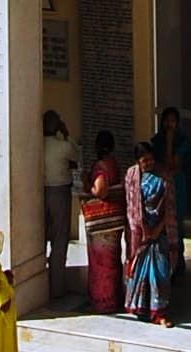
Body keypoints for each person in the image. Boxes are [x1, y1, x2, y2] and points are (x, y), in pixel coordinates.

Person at [124, 144, 174, 325]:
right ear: (137, 161)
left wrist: (158, 228)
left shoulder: (163, 177)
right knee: (139, 272)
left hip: (159, 233)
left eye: (151, 159)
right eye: (144, 161)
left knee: (159, 273)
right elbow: (131, 207)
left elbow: (168, 207)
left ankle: (160, 313)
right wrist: (143, 229)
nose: (149, 163)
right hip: (140, 233)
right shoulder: (131, 176)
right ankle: (142, 308)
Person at [81, 154, 127, 314]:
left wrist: (88, 185)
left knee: (101, 263)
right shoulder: (114, 163)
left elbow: (101, 191)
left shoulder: (100, 167)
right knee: (113, 260)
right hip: (115, 218)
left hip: (101, 222)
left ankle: (103, 302)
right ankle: (116, 298)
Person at [42, 111, 79, 300]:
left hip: (39, 192)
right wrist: (67, 134)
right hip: (59, 192)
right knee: (59, 238)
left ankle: (39, 285)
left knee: (40, 237)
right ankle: (57, 287)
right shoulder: (62, 146)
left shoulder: (36, 145)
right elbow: (77, 154)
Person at [156, 106, 191, 277]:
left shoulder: (182, 141)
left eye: (173, 121)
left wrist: (171, 140)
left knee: (176, 226)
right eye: (167, 121)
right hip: (162, 186)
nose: (169, 125)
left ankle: (178, 268)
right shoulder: (157, 140)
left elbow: (172, 164)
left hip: (176, 186)